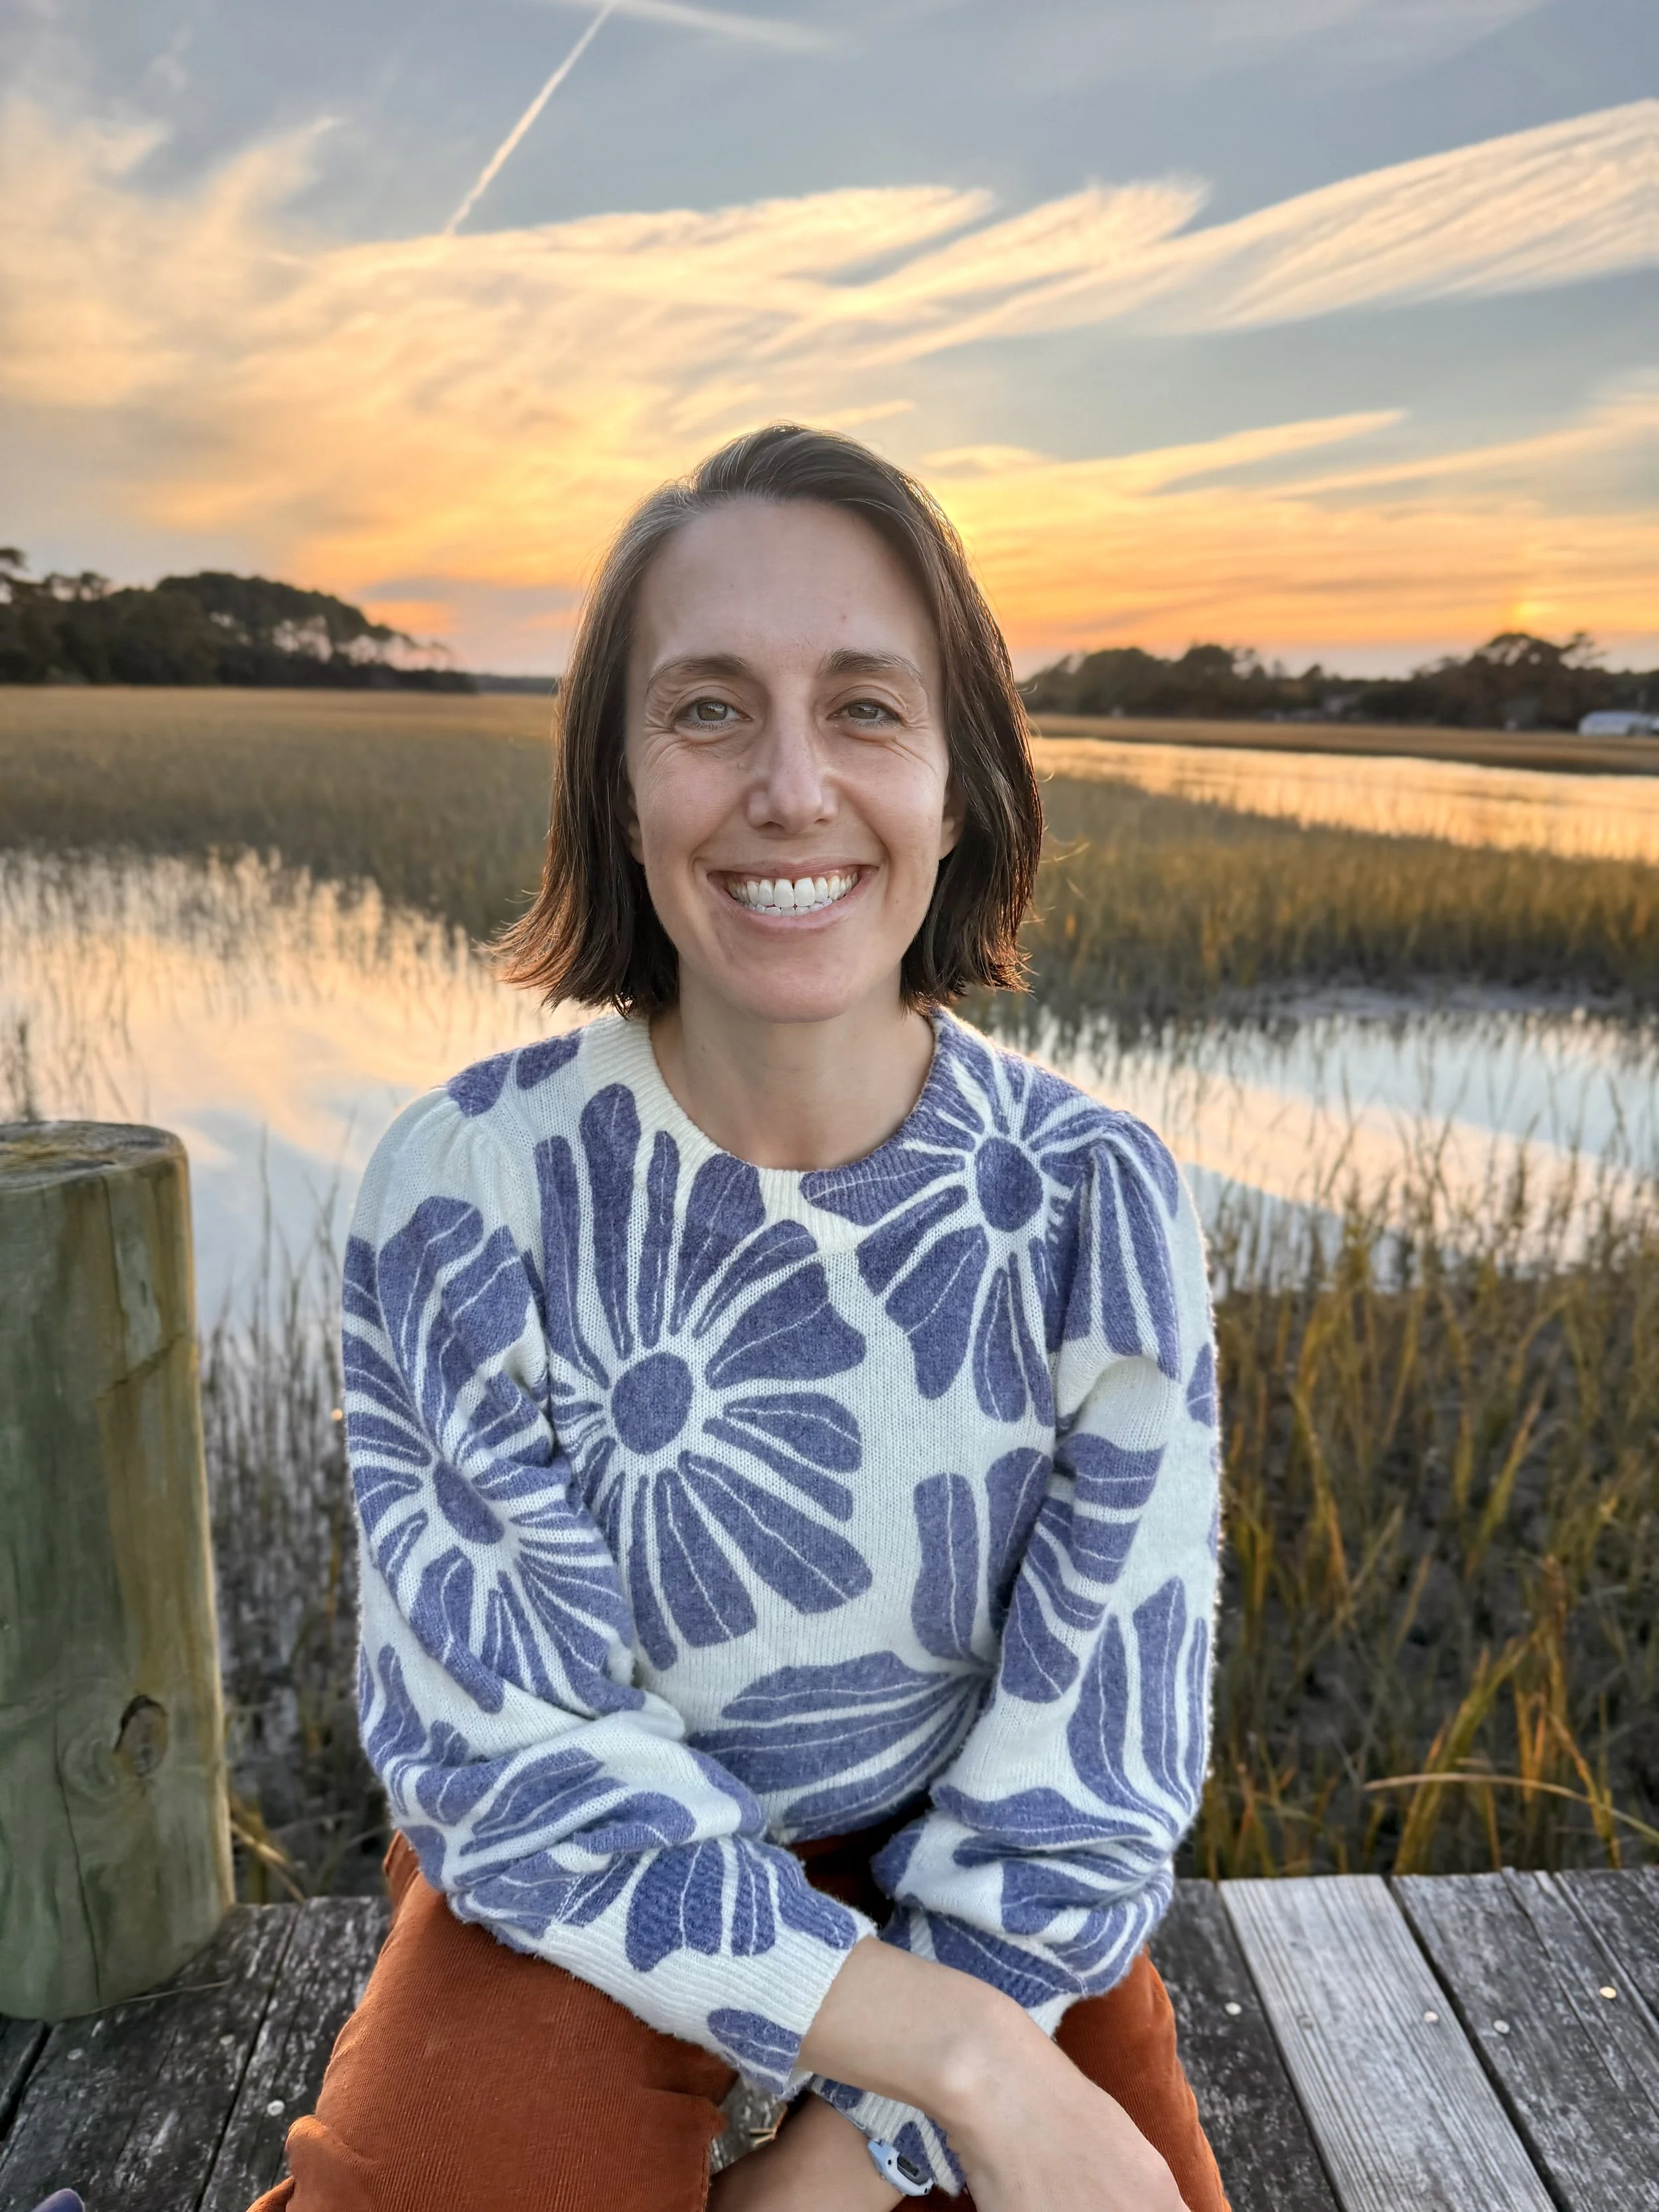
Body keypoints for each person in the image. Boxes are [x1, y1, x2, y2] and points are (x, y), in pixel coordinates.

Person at [253, 425, 1226, 2212]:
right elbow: (514, 1752)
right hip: (585, 1873)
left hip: (971, 1887)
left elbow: (1097, 1756)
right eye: (707, 708)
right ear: (615, 784)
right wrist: (958, 2062)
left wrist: (856, 2151)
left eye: (865, 706)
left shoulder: (1096, 1197)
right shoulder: (465, 1184)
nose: (790, 788)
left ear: (959, 781)